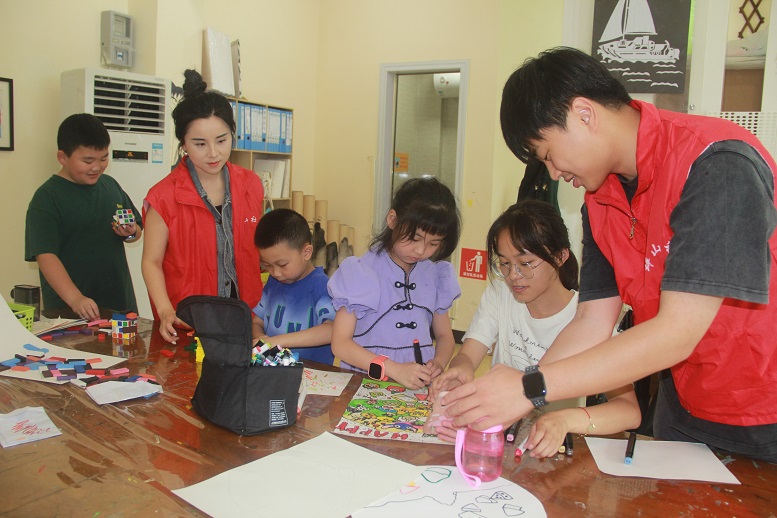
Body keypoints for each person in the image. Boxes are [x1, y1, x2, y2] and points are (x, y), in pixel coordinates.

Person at [443, 46, 777, 462]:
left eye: (548, 154)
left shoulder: (715, 163)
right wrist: (522, 392)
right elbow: (591, 321)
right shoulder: (600, 198)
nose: (553, 174)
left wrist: (530, 388)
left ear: (584, 113)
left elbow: (677, 331)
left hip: (764, 416)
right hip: (683, 409)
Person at [430, 200, 640, 455]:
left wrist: (565, 419)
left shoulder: (592, 319)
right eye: (504, 263)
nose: (513, 275)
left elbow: (629, 411)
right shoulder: (501, 294)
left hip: (551, 449)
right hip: (500, 436)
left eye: (526, 263)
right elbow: (468, 353)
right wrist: (461, 369)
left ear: (560, 256)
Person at [142, 69, 264, 343]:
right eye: (199, 143)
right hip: (189, 323)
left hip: (247, 321)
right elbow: (151, 261)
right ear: (183, 144)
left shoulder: (251, 184)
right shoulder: (163, 196)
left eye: (221, 140)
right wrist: (164, 310)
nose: (213, 153)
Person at [329, 177, 461, 389]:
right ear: (392, 220)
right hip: (366, 383)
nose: (421, 250)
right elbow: (340, 344)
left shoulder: (436, 274)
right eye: (414, 238)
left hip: (418, 384)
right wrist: (394, 369)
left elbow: (445, 336)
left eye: (433, 243)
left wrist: (439, 363)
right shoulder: (361, 271)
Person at [25, 113, 142, 320]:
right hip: (69, 312)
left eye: (104, 158)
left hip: (119, 304)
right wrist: (75, 298)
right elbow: (46, 256)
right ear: (62, 157)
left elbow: (137, 230)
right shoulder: (46, 198)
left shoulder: (110, 186)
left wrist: (131, 232)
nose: (97, 167)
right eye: (88, 160)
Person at [252, 208, 335, 364]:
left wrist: (277, 341)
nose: (275, 272)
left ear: (306, 252)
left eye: (282, 264)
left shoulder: (322, 286)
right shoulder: (274, 282)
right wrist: (261, 339)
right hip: (274, 371)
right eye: (267, 265)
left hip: (313, 375)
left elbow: (332, 330)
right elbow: (257, 321)